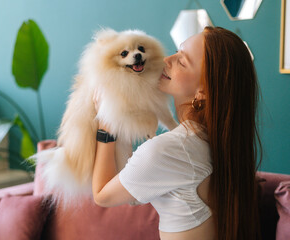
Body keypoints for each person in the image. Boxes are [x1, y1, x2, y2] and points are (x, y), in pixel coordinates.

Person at [92, 26, 262, 240]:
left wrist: (106, 125)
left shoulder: (170, 150)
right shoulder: (214, 140)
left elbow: (102, 195)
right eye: (176, 51)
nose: (166, 60)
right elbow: (134, 190)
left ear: (203, 92)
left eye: (181, 61)